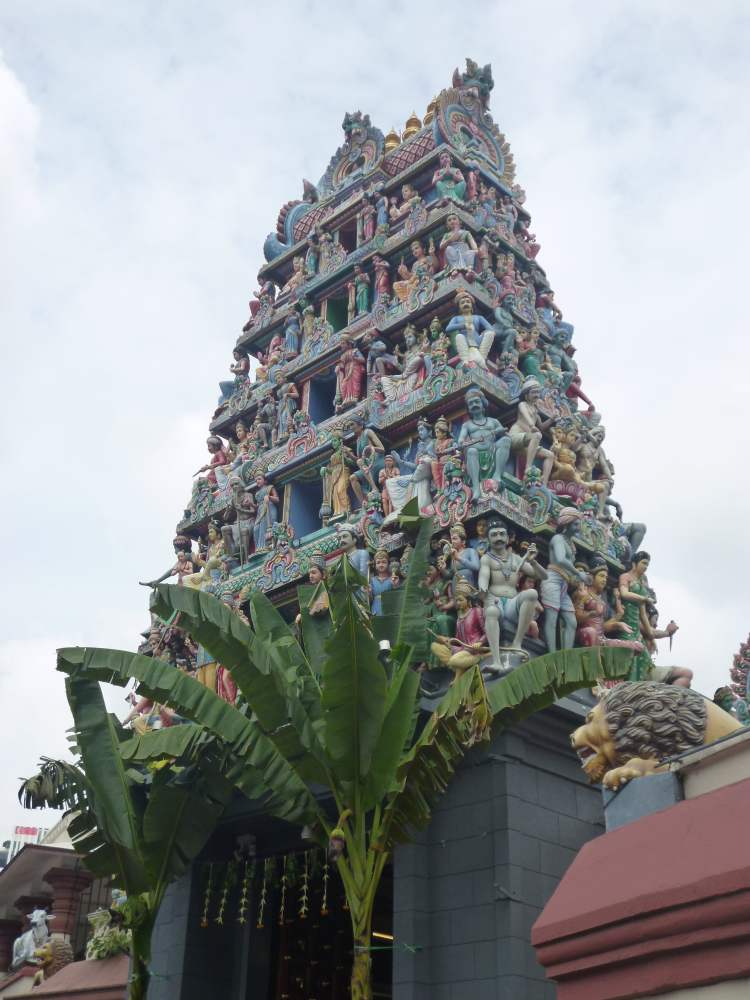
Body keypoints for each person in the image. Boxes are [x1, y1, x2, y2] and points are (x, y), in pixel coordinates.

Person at [478, 522, 547, 672]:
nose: (498, 538)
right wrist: (482, 590)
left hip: (511, 603)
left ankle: (517, 643)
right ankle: (496, 661)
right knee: (491, 612)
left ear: (508, 537)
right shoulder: (487, 559)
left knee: (532, 593)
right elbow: (483, 577)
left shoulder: (516, 559)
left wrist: (533, 561)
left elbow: (543, 576)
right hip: (495, 601)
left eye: (502, 534)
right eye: (494, 535)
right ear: (488, 539)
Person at [619, 552, 690, 685]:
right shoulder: (626, 577)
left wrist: (656, 633)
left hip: (636, 632)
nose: (646, 567)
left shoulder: (640, 586)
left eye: (647, 564)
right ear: (635, 563)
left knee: (644, 659)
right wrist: (643, 598)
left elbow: (643, 615)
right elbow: (624, 593)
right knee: (634, 653)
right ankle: (628, 688)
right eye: (644, 563)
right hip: (625, 626)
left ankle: (636, 689)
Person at [541, 507, 589, 651]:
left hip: (563, 584)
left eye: (578, 523)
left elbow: (568, 567)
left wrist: (581, 578)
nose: (578, 527)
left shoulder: (571, 544)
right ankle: (552, 654)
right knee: (552, 619)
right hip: (552, 580)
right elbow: (561, 559)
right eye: (575, 524)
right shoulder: (558, 539)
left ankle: (566, 655)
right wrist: (578, 573)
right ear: (566, 524)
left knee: (571, 621)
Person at [458, 388, 512, 501]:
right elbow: (461, 440)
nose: (474, 405)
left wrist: (500, 431)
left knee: (506, 440)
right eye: (471, 403)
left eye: (477, 402)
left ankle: (497, 475)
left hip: (492, 451)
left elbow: (505, 433)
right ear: (468, 409)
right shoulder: (467, 425)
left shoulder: (493, 421)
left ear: (483, 404)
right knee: (471, 451)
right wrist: (461, 443)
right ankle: (476, 488)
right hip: (475, 454)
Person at [430, 579, 489, 675]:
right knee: (435, 647)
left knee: (453, 661)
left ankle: (478, 659)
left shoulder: (476, 611)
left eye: (460, 600)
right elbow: (458, 640)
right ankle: (462, 666)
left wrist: (479, 642)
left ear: (468, 600)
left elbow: (487, 633)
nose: (458, 603)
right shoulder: (459, 617)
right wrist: (447, 640)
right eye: (456, 600)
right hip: (462, 649)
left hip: (474, 651)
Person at [508, 378, 554, 483]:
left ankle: (544, 483)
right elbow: (526, 416)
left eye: (538, 392)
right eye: (533, 392)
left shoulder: (535, 411)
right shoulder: (522, 405)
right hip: (516, 437)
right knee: (536, 435)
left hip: (527, 444)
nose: (537, 395)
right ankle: (528, 469)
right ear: (526, 394)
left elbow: (542, 427)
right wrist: (532, 426)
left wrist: (552, 419)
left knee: (550, 455)